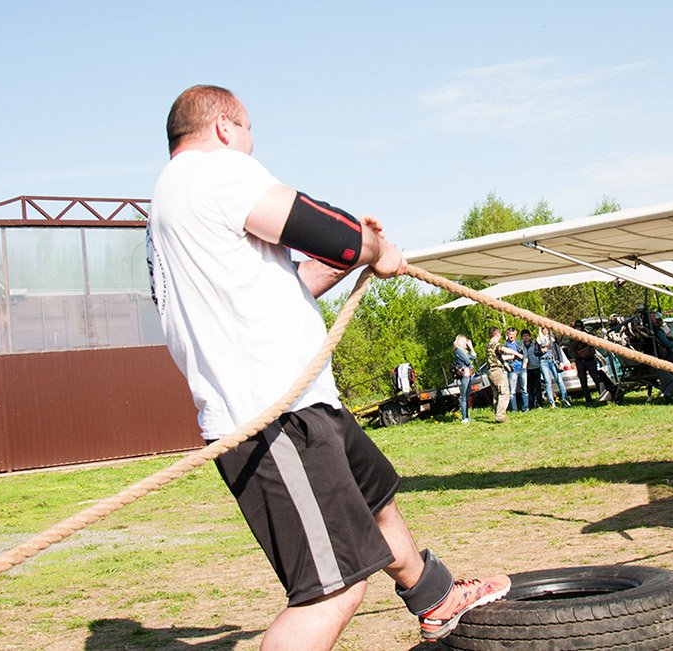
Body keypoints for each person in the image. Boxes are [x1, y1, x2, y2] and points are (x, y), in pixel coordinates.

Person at [145, 85, 508, 649]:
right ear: (222, 126)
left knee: (376, 503)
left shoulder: (174, 202)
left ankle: (436, 600)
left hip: (306, 403)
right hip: (272, 417)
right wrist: (366, 246)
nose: (250, 143)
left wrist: (349, 259)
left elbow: (289, 288)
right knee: (331, 591)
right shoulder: (212, 173)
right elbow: (320, 227)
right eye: (247, 130)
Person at [569, 320, 617, 403]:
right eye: (577, 327)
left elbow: (593, 341)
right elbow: (572, 347)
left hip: (589, 359)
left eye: (580, 327)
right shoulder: (573, 337)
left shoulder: (587, 334)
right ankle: (588, 400)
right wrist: (578, 338)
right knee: (583, 381)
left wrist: (586, 336)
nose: (579, 328)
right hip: (580, 361)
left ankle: (603, 396)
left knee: (597, 378)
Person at [485, 327, 512, 423]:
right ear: (497, 334)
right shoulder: (495, 344)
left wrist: (508, 360)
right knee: (504, 393)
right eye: (500, 334)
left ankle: (497, 413)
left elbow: (497, 357)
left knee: (496, 394)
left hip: (490, 371)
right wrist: (516, 353)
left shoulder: (488, 345)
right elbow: (502, 349)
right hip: (497, 371)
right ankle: (500, 416)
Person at [540, 330, 570, 407]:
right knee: (547, 382)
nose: (545, 330)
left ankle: (565, 400)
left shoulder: (553, 339)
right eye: (543, 328)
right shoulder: (539, 339)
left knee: (559, 380)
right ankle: (551, 402)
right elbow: (536, 352)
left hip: (554, 361)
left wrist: (561, 362)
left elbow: (558, 350)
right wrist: (541, 350)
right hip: (544, 361)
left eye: (547, 328)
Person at [452, 334, 475, 423]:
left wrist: (471, 347)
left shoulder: (462, 351)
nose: (466, 343)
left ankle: (466, 417)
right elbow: (468, 361)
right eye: (465, 341)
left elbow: (474, 356)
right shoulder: (459, 351)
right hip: (464, 374)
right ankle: (464, 418)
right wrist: (469, 359)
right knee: (464, 396)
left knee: (467, 395)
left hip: (467, 373)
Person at [503, 328, 527, 412]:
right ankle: (514, 409)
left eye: (513, 334)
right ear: (507, 335)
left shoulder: (520, 343)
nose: (512, 336)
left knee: (524, 389)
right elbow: (502, 358)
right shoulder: (504, 345)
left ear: (515, 335)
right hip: (512, 370)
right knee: (512, 391)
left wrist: (524, 366)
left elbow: (525, 355)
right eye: (510, 334)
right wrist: (507, 366)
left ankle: (525, 408)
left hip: (522, 369)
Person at [521, 329, 543, 409]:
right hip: (527, 369)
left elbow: (540, 352)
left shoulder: (535, 344)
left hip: (536, 367)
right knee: (529, 388)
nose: (526, 337)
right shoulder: (521, 346)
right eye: (524, 336)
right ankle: (531, 405)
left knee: (537, 386)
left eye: (527, 335)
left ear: (529, 336)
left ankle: (540, 404)